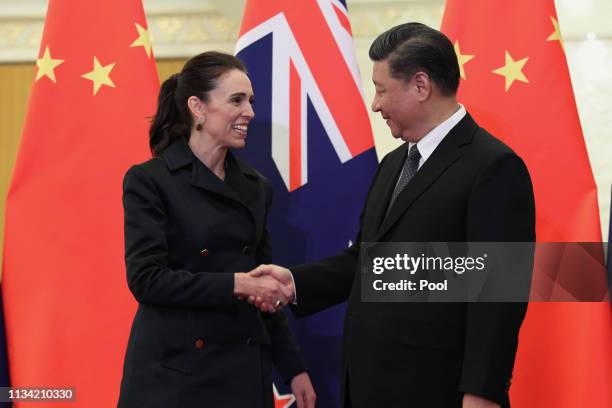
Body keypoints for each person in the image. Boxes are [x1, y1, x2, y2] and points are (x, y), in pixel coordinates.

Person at [249, 23, 535, 408]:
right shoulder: (393, 164)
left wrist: (481, 394)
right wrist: (293, 284)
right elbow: (370, 264)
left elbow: (498, 296)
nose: (375, 104)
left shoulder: (493, 166)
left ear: (420, 86)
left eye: (381, 89)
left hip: (438, 391)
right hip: (371, 386)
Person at [118, 51, 316, 408]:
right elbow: (146, 279)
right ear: (198, 106)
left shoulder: (255, 186)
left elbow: (265, 286)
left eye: (251, 101)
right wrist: (237, 284)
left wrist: (294, 368)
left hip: (241, 372)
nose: (250, 113)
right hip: (174, 376)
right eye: (237, 100)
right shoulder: (150, 181)